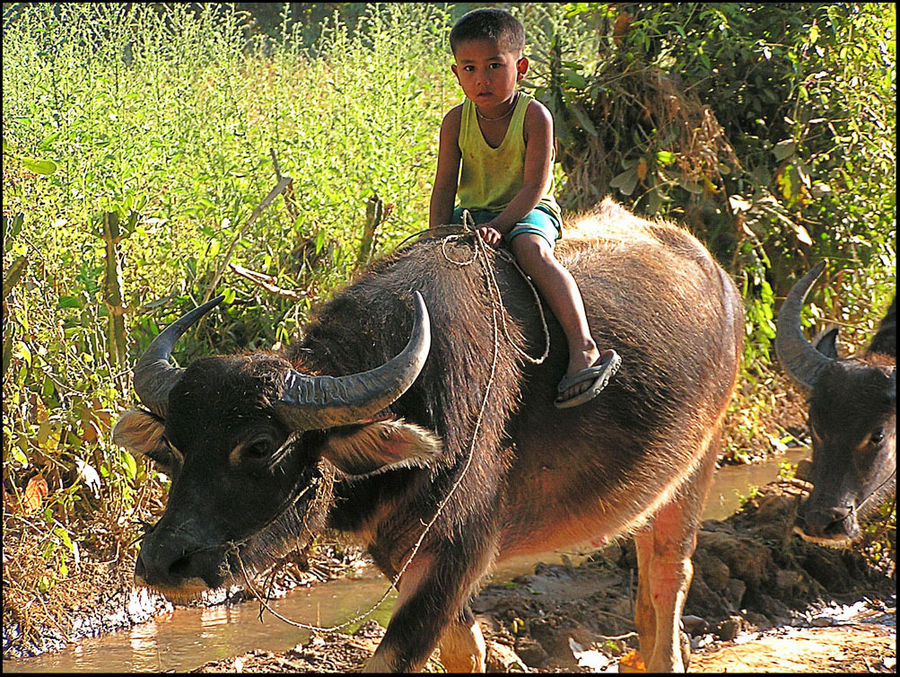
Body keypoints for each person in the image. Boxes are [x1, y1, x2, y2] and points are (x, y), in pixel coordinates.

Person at [429, 7, 620, 409]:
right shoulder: (454, 122)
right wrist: (434, 237)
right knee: (425, 269)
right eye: (470, 68)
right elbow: (444, 185)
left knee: (532, 252)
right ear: (456, 73)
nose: (482, 78)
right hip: (474, 214)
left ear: (522, 67)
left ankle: (583, 347)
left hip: (528, 211)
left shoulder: (535, 116)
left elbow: (536, 186)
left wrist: (501, 224)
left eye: (495, 65)